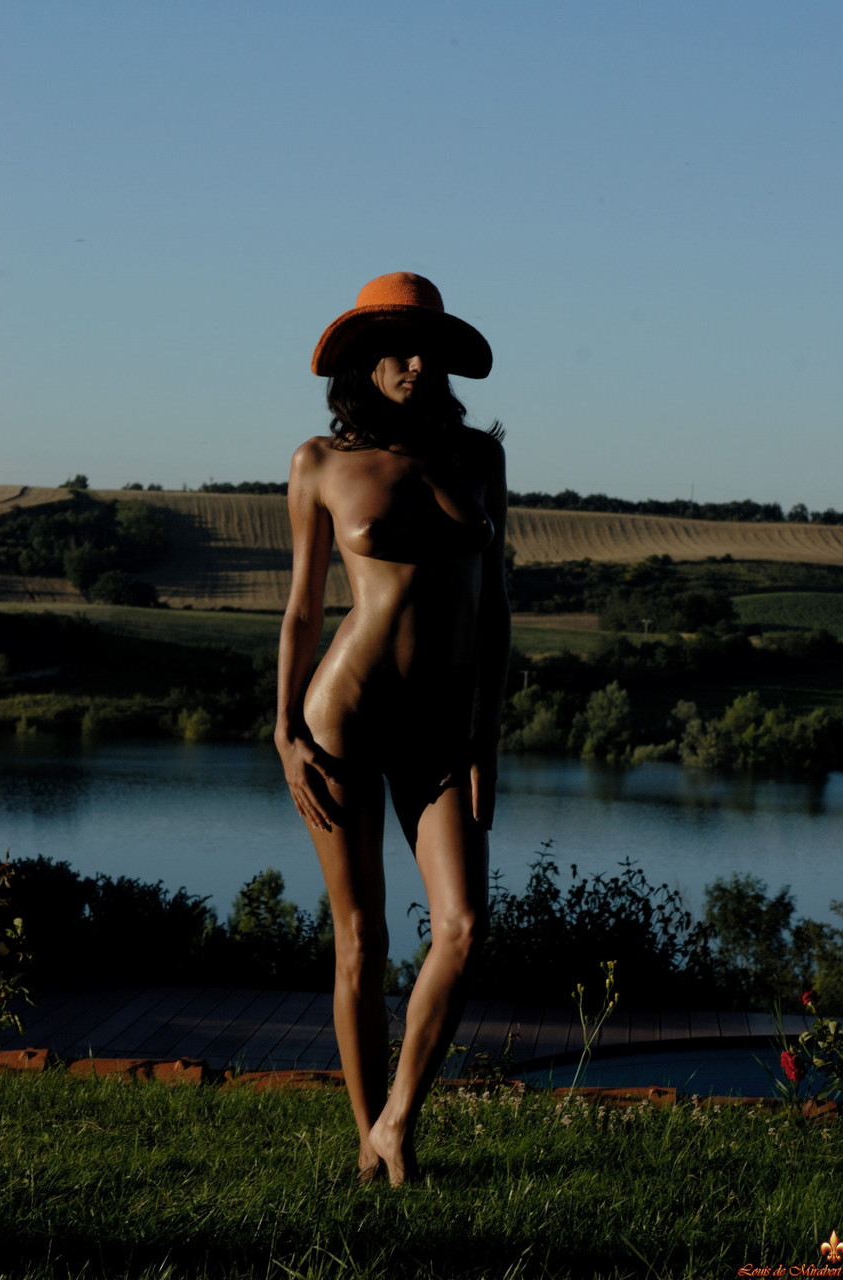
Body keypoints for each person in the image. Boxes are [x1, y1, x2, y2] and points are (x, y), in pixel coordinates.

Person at [275, 271, 509, 1185]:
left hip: (442, 732)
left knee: (463, 926)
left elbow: (495, 611)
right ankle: (368, 1147)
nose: (416, 364)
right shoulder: (318, 463)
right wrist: (284, 729)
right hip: (343, 715)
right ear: (364, 361)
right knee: (361, 938)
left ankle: (397, 1120)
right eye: (399, 350)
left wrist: (487, 739)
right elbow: (303, 610)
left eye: (429, 352)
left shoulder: (478, 457)